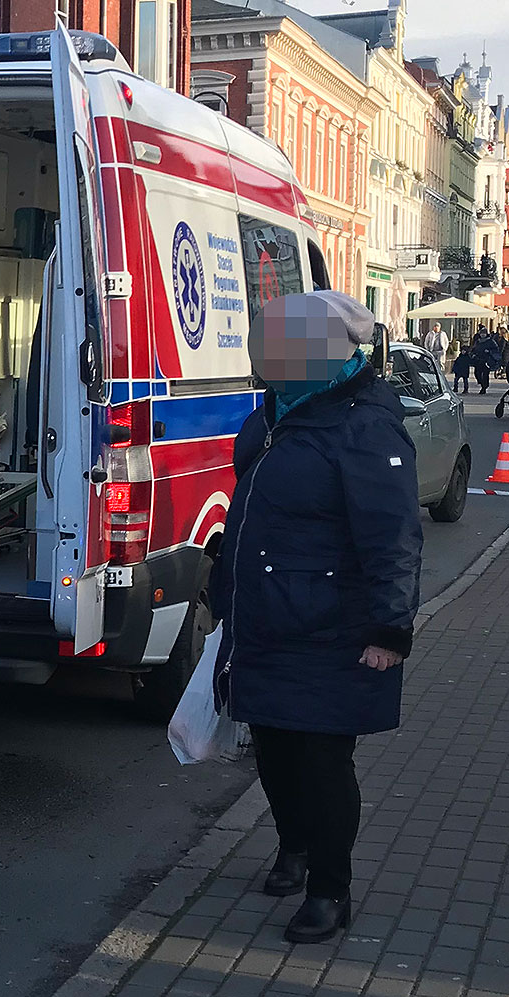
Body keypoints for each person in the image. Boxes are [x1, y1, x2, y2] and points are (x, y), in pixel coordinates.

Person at [211, 290, 422, 945]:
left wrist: (390, 629)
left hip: (332, 626)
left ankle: (330, 889)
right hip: (265, 619)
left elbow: (393, 536)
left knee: (323, 761)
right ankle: (294, 845)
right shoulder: (272, 414)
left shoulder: (366, 426)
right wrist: (224, 586)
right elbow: (249, 511)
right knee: (273, 750)